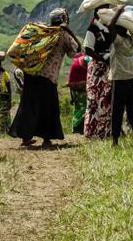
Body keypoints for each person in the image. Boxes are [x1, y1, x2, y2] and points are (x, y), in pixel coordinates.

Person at [9, 8, 80, 148]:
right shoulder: (62, 34)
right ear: (64, 20)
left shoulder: (43, 32)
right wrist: (70, 31)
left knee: (29, 106)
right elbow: (76, 52)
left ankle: (25, 138)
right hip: (48, 77)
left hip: (31, 73)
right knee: (48, 107)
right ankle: (47, 139)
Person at [105, 5, 133, 147]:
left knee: (117, 111)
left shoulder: (119, 40)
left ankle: (115, 140)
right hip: (131, 78)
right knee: (132, 110)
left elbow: (110, 25)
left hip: (119, 79)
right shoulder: (131, 38)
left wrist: (119, 12)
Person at [83, 5, 114, 139]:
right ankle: (92, 131)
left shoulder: (110, 29)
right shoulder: (93, 29)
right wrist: (101, 58)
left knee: (106, 98)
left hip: (109, 67)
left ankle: (105, 131)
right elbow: (88, 48)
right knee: (94, 99)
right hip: (97, 68)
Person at [67, 53, 89, 134]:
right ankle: (78, 127)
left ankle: (76, 127)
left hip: (74, 87)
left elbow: (70, 81)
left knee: (78, 107)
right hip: (81, 87)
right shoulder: (86, 59)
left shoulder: (76, 61)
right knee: (84, 107)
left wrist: (72, 97)